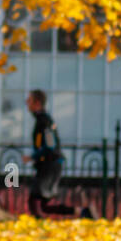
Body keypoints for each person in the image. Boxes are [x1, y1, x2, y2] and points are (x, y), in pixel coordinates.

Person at [26, 90, 92, 218]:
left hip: (51, 165)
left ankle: (83, 212)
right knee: (42, 203)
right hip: (47, 164)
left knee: (36, 201)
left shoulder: (45, 122)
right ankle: (82, 212)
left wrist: (33, 156)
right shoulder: (42, 120)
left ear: (37, 103)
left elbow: (50, 145)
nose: (27, 104)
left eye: (29, 100)